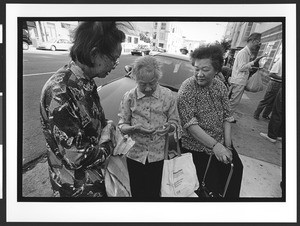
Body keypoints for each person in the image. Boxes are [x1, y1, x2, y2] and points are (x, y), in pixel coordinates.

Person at [40, 21, 128, 197]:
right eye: (113, 58)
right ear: (94, 53)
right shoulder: (60, 91)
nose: (115, 64)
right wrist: (109, 139)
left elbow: (95, 123)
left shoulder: (84, 81)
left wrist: (107, 126)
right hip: (77, 189)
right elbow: (76, 157)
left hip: (96, 180)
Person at [177, 44, 243, 198]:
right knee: (210, 187)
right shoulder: (187, 89)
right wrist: (216, 146)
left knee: (235, 171)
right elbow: (191, 125)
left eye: (205, 70)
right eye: (196, 69)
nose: (199, 74)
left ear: (216, 70)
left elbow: (227, 116)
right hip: (197, 147)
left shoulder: (220, 86)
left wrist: (228, 146)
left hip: (220, 142)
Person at [118, 56, 180, 198]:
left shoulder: (168, 96)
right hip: (135, 155)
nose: (147, 88)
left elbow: (174, 121)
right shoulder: (129, 97)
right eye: (142, 84)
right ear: (136, 80)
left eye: (152, 83)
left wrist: (169, 127)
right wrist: (134, 129)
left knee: (154, 192)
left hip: (158, 156)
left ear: (157, 78)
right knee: (136, 193)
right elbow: (122, 125)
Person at [228, 33, 264, 123]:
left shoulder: (246, 52)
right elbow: (241, 67)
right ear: (252, 40)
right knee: (234, 101)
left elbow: (242, 67)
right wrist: (253, 62)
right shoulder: (244, 52)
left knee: (233, 101)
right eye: (258, 41)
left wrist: (251, 67)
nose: (259, 44)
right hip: (238, 81)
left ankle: (228, 117)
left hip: (239, 80)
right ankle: (226, 118)